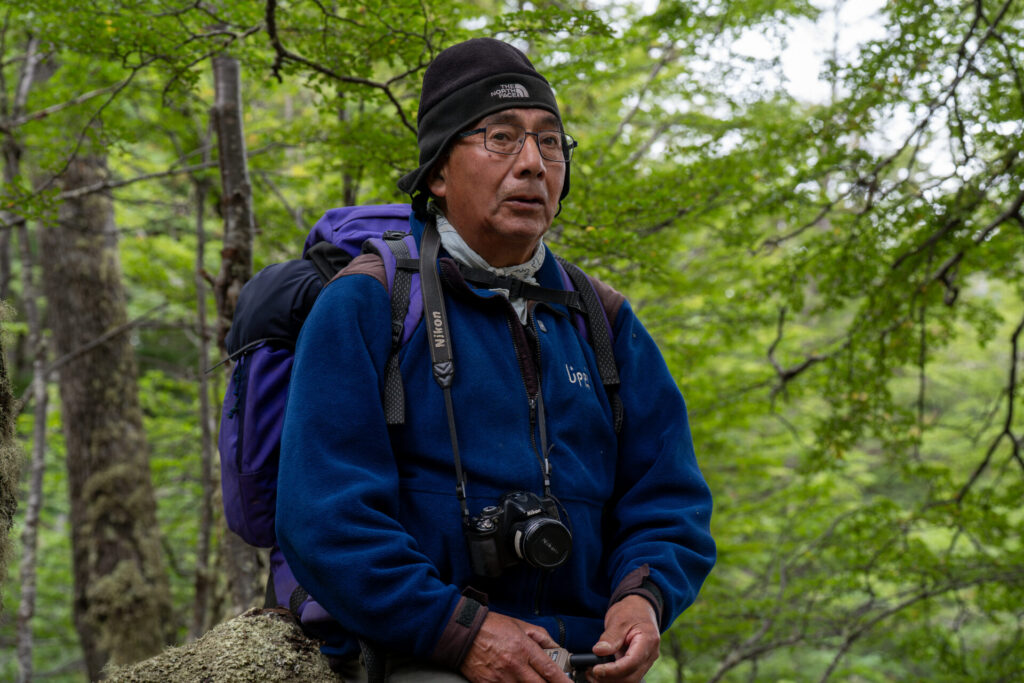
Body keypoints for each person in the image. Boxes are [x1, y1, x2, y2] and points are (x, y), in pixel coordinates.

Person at [276, 37, 716, 682]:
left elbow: (668, 496)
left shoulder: (601, 320)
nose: (533, 164)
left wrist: (642, 596)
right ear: (437, 172)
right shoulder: (371, 304)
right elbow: (325, 517)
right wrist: (460, 631)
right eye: (501, 137)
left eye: (549, 142)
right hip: (417, 650)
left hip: (584, 658)